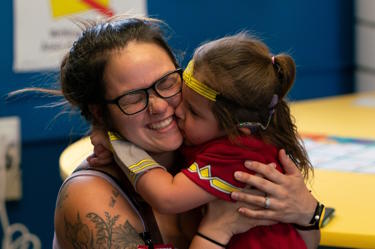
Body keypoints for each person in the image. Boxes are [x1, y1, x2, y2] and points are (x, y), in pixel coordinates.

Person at [16, 16, 320, 248]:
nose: (160, 106)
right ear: (100, 112)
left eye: (167, 83)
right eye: (133, 97)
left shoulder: (205, 152)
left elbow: (301, 242)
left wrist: (307, 213)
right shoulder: (90, 196)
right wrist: (217, 230)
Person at [95, 32, 320, 249]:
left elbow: (167, 197)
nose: (179, 112)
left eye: (194, 112)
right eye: (182, 95)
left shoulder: (238, 153)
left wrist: (117, 140)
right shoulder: (235, 135)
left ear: (238, 129)